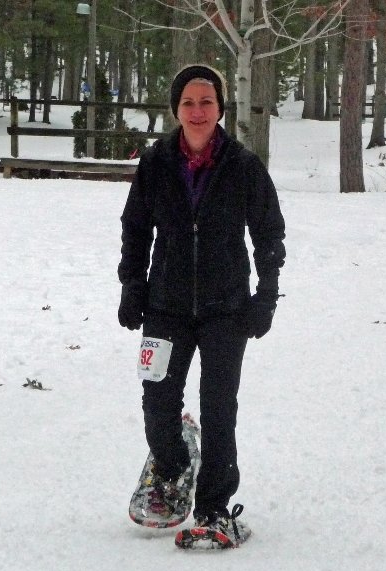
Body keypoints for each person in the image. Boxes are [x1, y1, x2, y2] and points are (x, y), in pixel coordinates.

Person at [117, 64, 286, 543]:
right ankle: (171, 468)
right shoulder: (156, 163)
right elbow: (135, 229)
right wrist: (132, 285)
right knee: (157, 403)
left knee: (218, 409)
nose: (197, 111)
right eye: (188, 102)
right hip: (164, 307)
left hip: (225, 309)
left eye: (206, 102)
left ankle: (213, 507)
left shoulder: (243, 165)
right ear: (176, 109)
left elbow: (268, 233)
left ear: (220, 109)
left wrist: (266, 294)